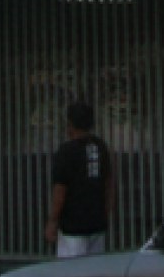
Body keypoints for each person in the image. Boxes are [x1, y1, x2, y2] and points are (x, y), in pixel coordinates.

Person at [45, 101, 113, 256]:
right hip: (97, 224)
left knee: (71, 268)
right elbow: (109, 183)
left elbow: (60, 188)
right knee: (95, 267)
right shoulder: (101, 147)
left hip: (73, 226)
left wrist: (52, 220)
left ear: (70, 124)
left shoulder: (67, 150)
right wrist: (105, 212)